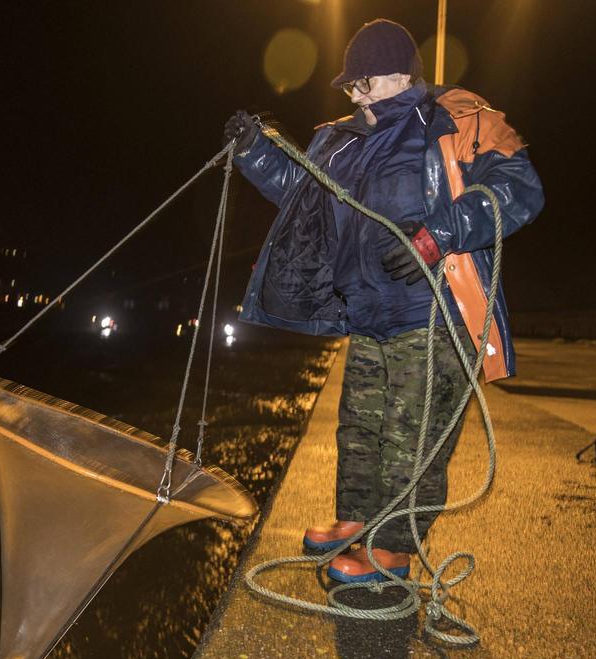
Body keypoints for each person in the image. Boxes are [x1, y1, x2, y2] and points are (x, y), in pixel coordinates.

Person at [223, 18, 543, 584]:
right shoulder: (343, 138)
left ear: (400, 75)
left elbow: (521, 189)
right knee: (360, 428)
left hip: (435, 315)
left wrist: (438, 233)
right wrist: (255, 151)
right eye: (351, 88)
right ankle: (356, 524)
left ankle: (393, 550)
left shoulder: (461, 120)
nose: (357, 96)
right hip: (369, 315)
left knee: (410, 435)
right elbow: (303, 199)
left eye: (364, 84)